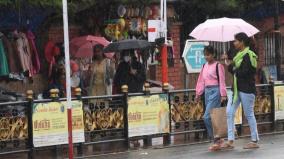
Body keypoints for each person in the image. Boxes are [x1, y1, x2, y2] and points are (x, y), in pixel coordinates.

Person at [222, 32, 259, 149]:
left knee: (249, 114)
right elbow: (234, 70)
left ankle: (254, 140)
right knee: (229, 112)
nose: (234, 43)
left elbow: (245, 72)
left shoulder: (249, 55)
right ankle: (230, 139)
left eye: (236, 41)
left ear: (242, 42)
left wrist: (233, 68)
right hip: (236, 89)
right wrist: (229, 64)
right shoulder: (238, 55)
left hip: (247, 89)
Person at [195, 45, 227, 151]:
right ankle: (218, 140)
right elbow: (201, 80)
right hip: (207, 92)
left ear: (213, 54)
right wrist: (198, 93)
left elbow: (222, 81)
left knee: (207, 117)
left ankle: (216, 140)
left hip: (216, 91)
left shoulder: (218, 66)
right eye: (205, 55)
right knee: (213, 117)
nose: (206, 57)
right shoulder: (204, 66)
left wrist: (223, 94)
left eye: (208, 54)